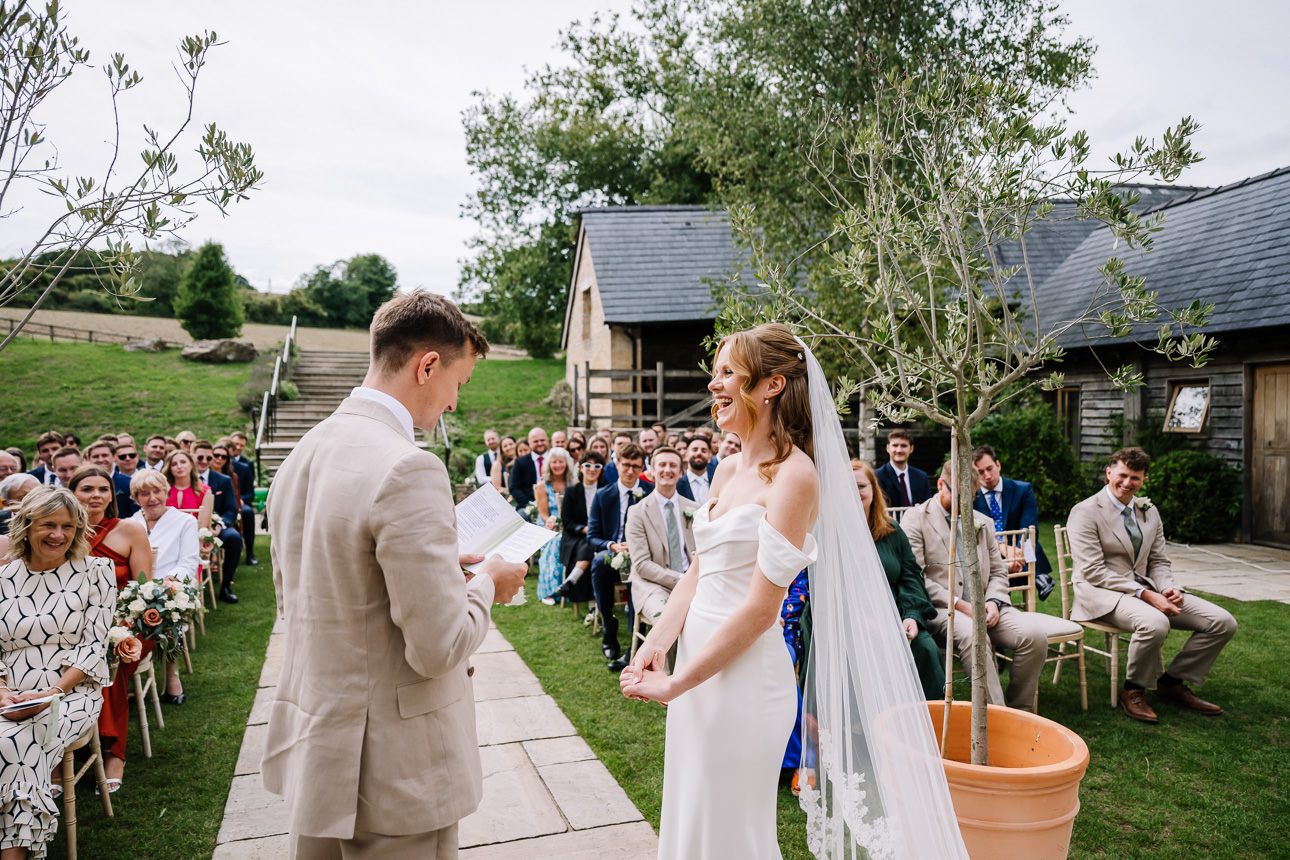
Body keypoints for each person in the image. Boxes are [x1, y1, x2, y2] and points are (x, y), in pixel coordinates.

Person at [621, 324, 965, 858]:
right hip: (696, 664)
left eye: (727, 373)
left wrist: (677, 685)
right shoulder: (726, 468)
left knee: (731, 831)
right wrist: (657, 644)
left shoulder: (795, 477)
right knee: (690, 812)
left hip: (744, 680)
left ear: (771, 385)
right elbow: (697, 572)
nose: (713, 384)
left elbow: (762, 611)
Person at [263, 290, 527, 859]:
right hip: (393, 766)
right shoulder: (409, 466)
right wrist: (490, 582)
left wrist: (438, 571)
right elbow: (439, 647)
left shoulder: (301, 453)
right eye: (458, 383)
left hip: (319, 748)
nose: (453, 403)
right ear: (427, 366)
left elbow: (314, 593)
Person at [1068, 447, 1237, 724]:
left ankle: (1171, 683)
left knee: (1222, 622)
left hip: (1146, 589)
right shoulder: (1085, 512)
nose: (1127, 483)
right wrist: (1146, 594)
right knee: (1156, 622)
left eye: (1135, 478)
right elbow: (1093, 571)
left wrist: (1169, 588)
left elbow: (1158, 560)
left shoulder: (1149, 510)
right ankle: (1133, 690)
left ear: (1144, 479)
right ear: (1109, 473)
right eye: (1122, 475)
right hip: (1101, 594)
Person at [0, 487, 114, 860]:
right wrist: (2, 691)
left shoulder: (96, 572)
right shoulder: (3, 577)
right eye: (48, 525)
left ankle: (15, 853)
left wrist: (50, 693)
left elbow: (94, 645)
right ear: (27, 526)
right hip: (9, 694)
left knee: (17, 742)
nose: (58, 534)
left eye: (68, 526)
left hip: (71, 691)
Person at [903, 461, 1059, 712]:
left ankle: (1020, 711)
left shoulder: (982, 522)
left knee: (1034, 636)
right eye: (959, 495)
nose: (965, 503)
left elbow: (998, 571)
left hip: (987, 607)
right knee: (974, 637)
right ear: (941, 485)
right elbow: (917, 578)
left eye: (971, 496)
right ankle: (997, 718)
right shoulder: (916, 519)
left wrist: (994, 602)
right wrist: (961, 605)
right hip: (942, 610)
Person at [68, 466, 153, 790]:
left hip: (128, 622)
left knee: (108, 655)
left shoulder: (130, 531)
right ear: (72, 494)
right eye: (87, 489)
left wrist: (121, 624)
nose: (96, 495)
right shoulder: (62, 533)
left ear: (111, 496)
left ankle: (112, 750)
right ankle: (66, 743)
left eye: (103, 489)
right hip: (74, 623)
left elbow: (143, 591)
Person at [853, 460, 945, 700]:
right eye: (848, 487)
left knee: (925, 648)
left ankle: (931, 717)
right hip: (853, 620)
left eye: (861, 486)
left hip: (896, 612)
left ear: (873, 490)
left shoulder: (892, 530)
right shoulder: (831, 534)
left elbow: (911, 576)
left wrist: (911, 616)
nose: (855, 492)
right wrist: (865, 622)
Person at [128, 469, 199, 706]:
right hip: (137, 585)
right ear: (135, 498)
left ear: (166, 492)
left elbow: (188, 562)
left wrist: (166, 584)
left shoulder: (185, 521)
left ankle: (172, 673)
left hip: (172, 583)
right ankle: (127, 672)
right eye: (144, 493)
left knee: (168, 606)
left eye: (157, 491)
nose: (152, 498)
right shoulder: (129, 524)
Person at [588, 443, 651, 665]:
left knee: (639, 573)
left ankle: (635, 642)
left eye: (636, 466)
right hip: (614, 554)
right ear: (617, 464)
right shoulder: (603, 495)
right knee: (598, 562)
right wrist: (613, 546)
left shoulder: (649, 492)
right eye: (626, 465)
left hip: (641, 556)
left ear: (642, 467)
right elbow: (592, 536)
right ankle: (609, 628)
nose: (630, 471)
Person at [625, 446, 697, 634]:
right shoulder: (637, 512)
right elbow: (642, 565)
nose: (667, 470)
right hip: (653, 587)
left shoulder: (694, 509)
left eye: (673, 465)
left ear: (681, 472)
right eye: (662, 465)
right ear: (652, 472)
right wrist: (681, 579)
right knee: (670, 624)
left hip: (693, 583)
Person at [971, 445, 1054, 600]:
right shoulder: (971, 498)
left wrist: (1017, 552)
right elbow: (975, 535)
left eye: (989, 468)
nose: (987, 476)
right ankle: (1040, 577)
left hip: (1018, 550)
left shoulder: (1022, 490)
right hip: (990, 553)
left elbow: (1029, 526)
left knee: (1030, 541)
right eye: (980, 472)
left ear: (998, 464)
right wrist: (1002, 548)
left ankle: (1035, 574)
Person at [552, 450, 607, 604]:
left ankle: (571, 580)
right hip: (575, 537)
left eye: (597, 466)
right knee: (589, 542)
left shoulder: (607, 490)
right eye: (587, 465)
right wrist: (584, 529)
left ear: (601, 470)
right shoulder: (572, 492)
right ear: (581, 468)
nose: (592, 469)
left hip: (601, 535)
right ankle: (592, 602)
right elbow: (567, 522)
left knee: (592, 542)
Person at [534, 447, 575, 603]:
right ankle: (549, 591)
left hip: (570, 524)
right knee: (556, 541)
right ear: (549, 464)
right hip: (550, 524)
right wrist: (552, 521)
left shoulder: (573, 483)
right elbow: (543, 513)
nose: (558, 465)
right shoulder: (542, 486)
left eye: (561, 461)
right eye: (554, 462)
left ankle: (571, 588)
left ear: (567, 463)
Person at [875, 429, 932, 509]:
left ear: (911, 448)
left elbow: (928, 507)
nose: (899, 450)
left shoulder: (921, 477)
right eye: (895, 445)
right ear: (888, 448)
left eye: (903, 446)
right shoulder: (878, 476)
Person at [227, 431, 259, 566]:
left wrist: (241, 499)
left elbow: (250, 492)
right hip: (223, 501)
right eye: (236, 444)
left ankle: (250, 553)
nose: (238, 447)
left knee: (247, 512)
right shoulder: (218, 460)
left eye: (242, 445)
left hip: (240, 501)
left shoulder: (246, 465)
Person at [163, 450, 213, 531]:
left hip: (194, 533)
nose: (179, 466)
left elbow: (203, 526)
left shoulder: (204, 491)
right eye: (174, 464)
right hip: (166, 533)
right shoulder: (162, 489)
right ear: (170, 469)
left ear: (191, 465)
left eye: (183, 462)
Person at [507, 427, 548, 511]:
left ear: (547, 440)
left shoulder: (555, 458)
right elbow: (514, 488)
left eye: (542, 440)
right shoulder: (520, 462)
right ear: (529, 443)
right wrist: (530, 505)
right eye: (536, 441)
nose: (540, 443)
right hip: (528, 505)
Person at [677, 437, 717, 505]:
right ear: (686, 455)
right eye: (695, 450)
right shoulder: (677, 485)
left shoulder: (717, 483)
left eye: (704, 451)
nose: (699, 453)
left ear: (709, 457)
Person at [111, 441, 141, 518]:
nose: (128, 459)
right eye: (122, 456)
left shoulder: (149, 477)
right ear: (114, 459)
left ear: (137, 457)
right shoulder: (110, 481)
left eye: (132, 455)